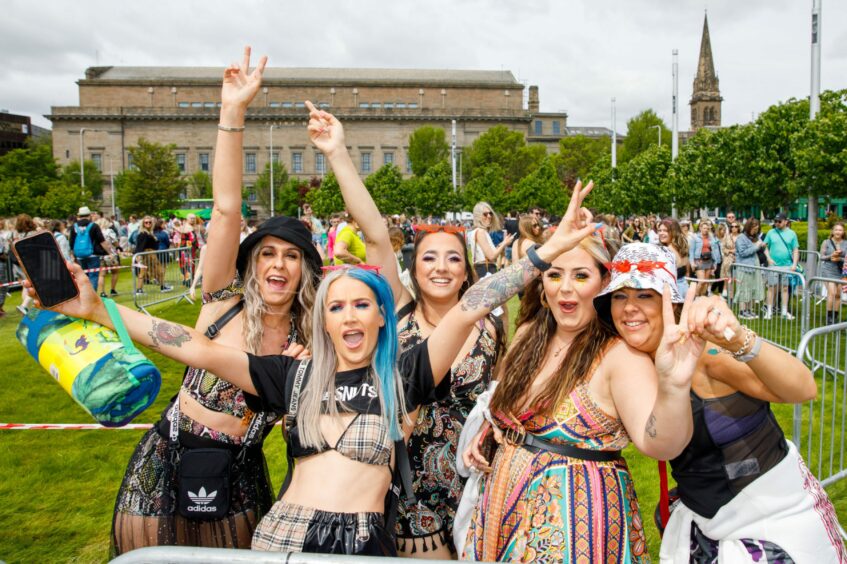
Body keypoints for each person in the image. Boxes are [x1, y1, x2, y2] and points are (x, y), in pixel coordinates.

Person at [28, 173, 600, 556]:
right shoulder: (289, 375)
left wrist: (545, 252)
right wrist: (94, 307)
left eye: (362, 305)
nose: (349, 316)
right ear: (322, 320)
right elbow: (181, 341)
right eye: (336, 306)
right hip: (282, 539)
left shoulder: (404, 376)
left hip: (364, 543)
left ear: (383, 317)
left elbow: (477, 302)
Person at [106, 48, 324, 556]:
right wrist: (233, 112)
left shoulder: (311, 333)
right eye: (267, 253)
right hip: (167, 460)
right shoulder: (221, 299)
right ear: (251, 264)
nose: (277, 264)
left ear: (305, 270)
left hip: (243, 475)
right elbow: (226, 211)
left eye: (292, 256)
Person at [304, 100, 506, 557]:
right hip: (405, 481)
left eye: (453, 257)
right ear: (412, 268)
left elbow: (505, 393)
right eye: (428, 257)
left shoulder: (491, 324)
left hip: (476, 478)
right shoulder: (396, 310)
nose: (440, 267)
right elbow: (375, 232)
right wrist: (337, 153)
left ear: (466, 270)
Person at [462, 218, 701, 562]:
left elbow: (659, 443)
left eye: (581, 275)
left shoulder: (619, 356)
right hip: (503, 506)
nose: (566, 288)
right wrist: (490, 428)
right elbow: (507, 403)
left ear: (604, 282)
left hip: (578, 528)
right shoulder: (530, 334)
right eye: (555, 274)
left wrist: (674, 388)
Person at [594, 243, 845, 563]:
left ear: (669, 302)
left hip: (772, 525)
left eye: (644, 295)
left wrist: (739, 339)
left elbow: (804, 388)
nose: (629, 307)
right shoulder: (629, 361)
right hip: (706, 523)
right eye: (620, 296)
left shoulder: (705, 356)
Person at [763, 213, 799, 320]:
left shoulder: (792, 234)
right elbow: (764, 246)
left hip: (787, 265)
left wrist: (794, 264)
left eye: (779, 221)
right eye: (776, 221)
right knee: (771, 288)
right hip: (773, 265)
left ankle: (784, 311)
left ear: (785, 221)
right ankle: (769, 311)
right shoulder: (771, 232)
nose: (777, 223)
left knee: (785, 288)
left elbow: (795, 250)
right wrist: (768, 258)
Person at [70, 206, 113, 289]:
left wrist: (73, 255)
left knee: (84, 276)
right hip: (93, 254)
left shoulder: (74, 227)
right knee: (93, 276)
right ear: (89, 215)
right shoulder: (94, 226)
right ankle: (93, 296)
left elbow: (71, 242)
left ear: (79, 216)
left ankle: (86, 295)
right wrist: (109, 252)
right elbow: (102, 241)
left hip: (80, 255)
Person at [469, 202, 514, 279]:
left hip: (481, 269)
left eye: (490, 213)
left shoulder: (476, 231)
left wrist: (502, 243)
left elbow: (488, 253)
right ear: (478, 216)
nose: (489, 216)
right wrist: (504, 244)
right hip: (485, 269)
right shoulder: (481, 232)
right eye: (485, 214)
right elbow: (492, 256)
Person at [734, 218, 767, 320]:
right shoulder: (741, 238)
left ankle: (749, 310)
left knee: (752, 289)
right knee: (744, 289)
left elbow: (759, 248)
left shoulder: (755, 238)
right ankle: (742, 311)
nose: (755, 231)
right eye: (753, 229)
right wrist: (757, 246)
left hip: (754, 266)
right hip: (744, 267)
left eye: (757, 229)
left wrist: (762, 246)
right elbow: (743, 252)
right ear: (748, 227)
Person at [133, 216, 171, 294]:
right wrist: (138, 257)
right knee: (144, 272)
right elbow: (140, 246)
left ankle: (163, 286)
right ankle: (139, 290)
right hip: (146, 255)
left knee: (158, 271)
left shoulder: (149, 233)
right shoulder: (143, 234)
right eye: (146, 222)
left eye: (150, 222)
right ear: (143, 224)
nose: (148, 224)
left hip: (151, 254)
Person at [820, 221, 847, 323]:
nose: (838, 232)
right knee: (832, 292)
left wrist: (839, 258)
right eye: (836, 229)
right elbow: (822, 257)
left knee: (838, 295)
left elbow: (846, 258)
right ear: (832, 231)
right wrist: (831, 256)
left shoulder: (846, 243)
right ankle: (829, 316)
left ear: (843, 232)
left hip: (841, 271)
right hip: (828, 270)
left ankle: (835, 316)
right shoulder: (826, 242)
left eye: (840, 230)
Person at [658, 217, 690, 297]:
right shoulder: (681, 246)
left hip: (673, 290)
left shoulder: (667, 250)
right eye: (660, 230)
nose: (661, 233)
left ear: (673, 232)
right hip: (684, 286)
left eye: (665, 231)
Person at [689, 218, 721, 296]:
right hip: (699, 260)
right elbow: (691, 252)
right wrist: (692, 263)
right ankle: (695, 297)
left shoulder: (711, 238)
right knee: (701, 281)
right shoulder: (695, 237)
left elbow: (714, 251)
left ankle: (702, 298)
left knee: (706, 282)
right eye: (704, 228)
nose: (706, 230)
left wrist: (715, 263)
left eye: (707, 228)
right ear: (700, 228)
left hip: (709, 260)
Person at [96, 218, 121, 298]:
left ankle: (102, 292)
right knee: (115, 272)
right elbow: (115, 241)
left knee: (101, 275)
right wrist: (118, 247)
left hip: (99, 254)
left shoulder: (95, 232)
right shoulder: (109, 231)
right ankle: (113, 289)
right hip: (111, 254)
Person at [720, 222, 740, 300]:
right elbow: (723, 247)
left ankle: (738, 294)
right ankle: (728, 294)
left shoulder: (741, 237)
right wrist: (730, 251)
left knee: (738, 278)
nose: (734, 228)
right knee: (728, 277)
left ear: (738, 227)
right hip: (728, 259)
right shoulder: (727, 237)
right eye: (732, 226)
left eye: (736, 226)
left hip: (739, 260)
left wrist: (737, 252)